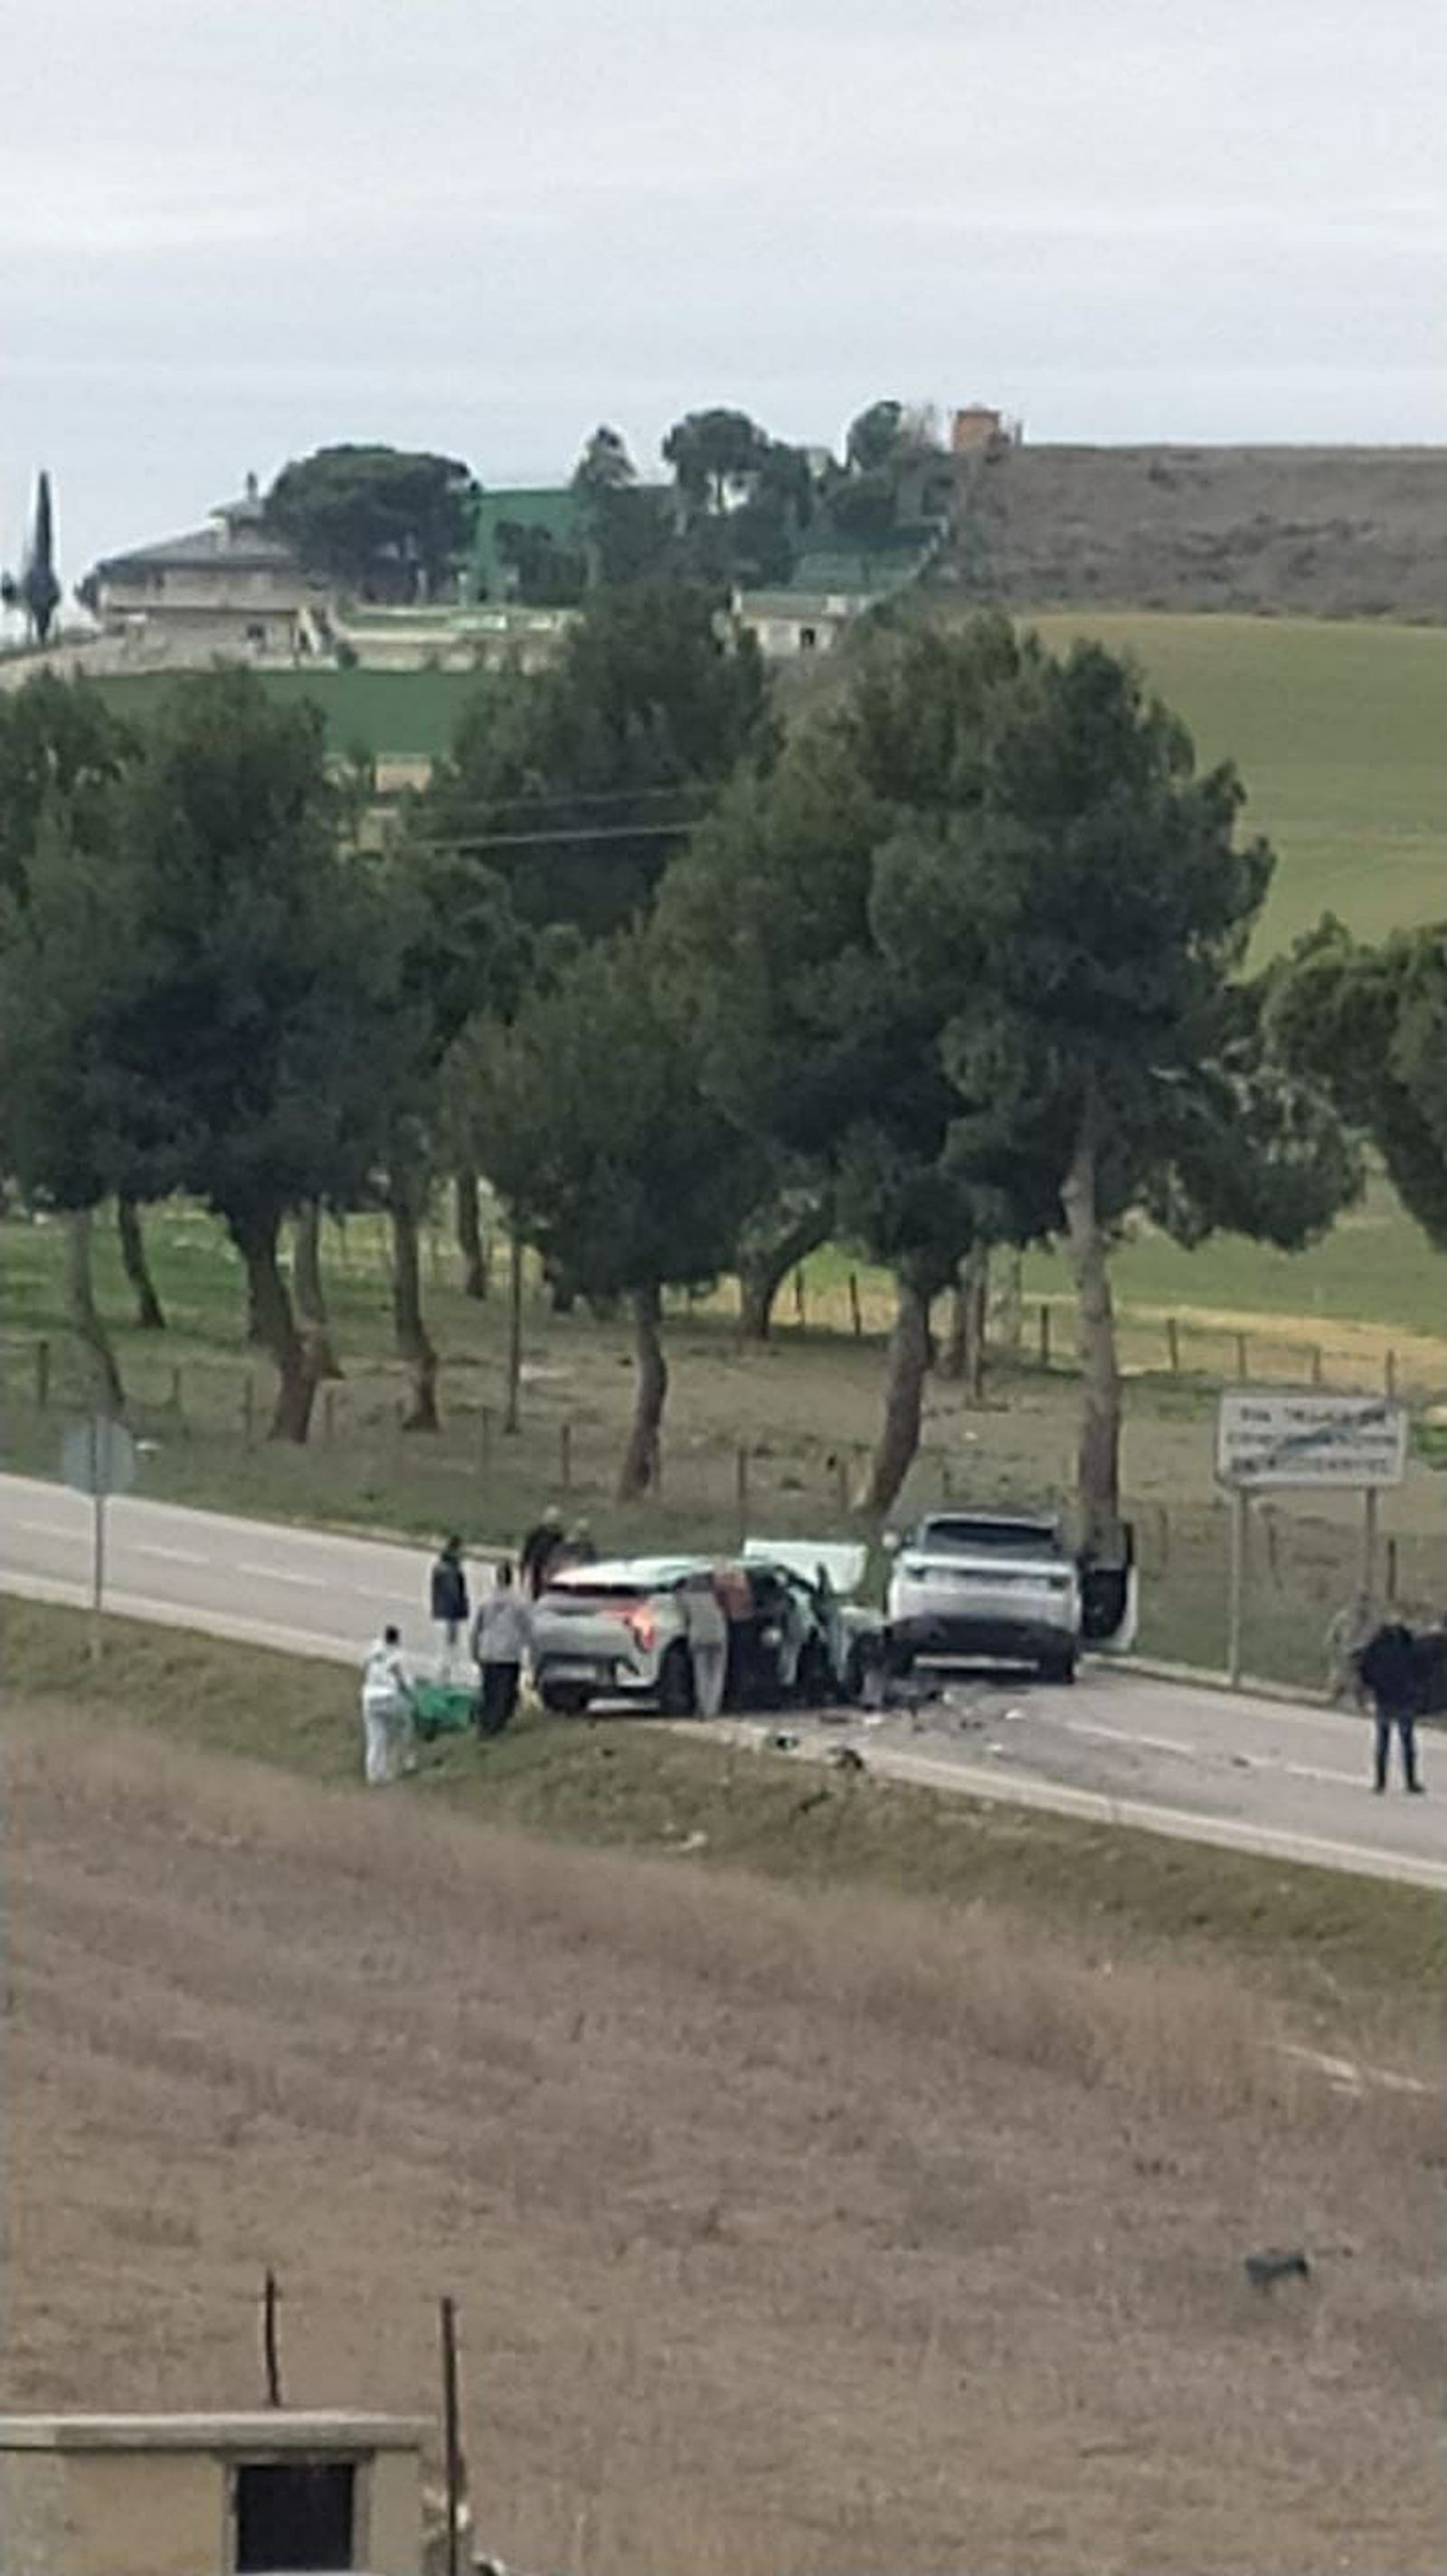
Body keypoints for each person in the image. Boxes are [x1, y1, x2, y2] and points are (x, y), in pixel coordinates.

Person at [1357, 1615, 1424, 1795]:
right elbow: (1420, 1669)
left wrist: (1370, 1685)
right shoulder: (1409, 1645)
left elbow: (1364, 1666)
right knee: (1407, 1740)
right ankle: (1410, 1781)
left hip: (1384, 1697)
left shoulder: (1378, 1645)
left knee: (1383, 1741)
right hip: (1404, 1698)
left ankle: (1380, 1782)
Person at [470, 1560, 532, 1736]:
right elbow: (527, 1628)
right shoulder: (519, 1602)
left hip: (488, 1651)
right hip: (508, 1654)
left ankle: (485, 1725)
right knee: (504, 1692)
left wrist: (474, 1650)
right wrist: (528, 1650)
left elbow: (477, 1628)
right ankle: (497, 1725)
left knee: (489, 1691)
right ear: (511, 1578)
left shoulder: (486, 1601)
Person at [360, 1625, 416, 1785]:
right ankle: (404, 1763)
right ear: (398, 1639)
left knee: (375, 1737)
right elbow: (407, 1682)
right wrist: (412, 1695)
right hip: (389, 1697)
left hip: (370, 1697)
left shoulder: (374, 1650)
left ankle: (373, 1774)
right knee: (403, 1727)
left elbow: (363, 1664)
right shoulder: (399, 1656)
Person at [681, 1572, 729, 1718]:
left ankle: (702, 1706)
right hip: (718, 1634)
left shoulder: (686, 1597)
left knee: (701, 1673)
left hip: (698, 1635)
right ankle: (712, 1707)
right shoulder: (716, 1595)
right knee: (717, 1674)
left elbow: (685, 1617)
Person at [429, 1536, 470, 1679]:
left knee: (443, 1652)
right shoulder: (452, 1570)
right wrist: (458, 1614)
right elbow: (453, 1595)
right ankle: (446, 1680)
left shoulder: (440, 1567)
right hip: (448, 1616)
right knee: (448, 1653)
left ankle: (442, 1678)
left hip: (440, 1613)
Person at [1324, 1592, 1372, 1709]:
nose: (1361, 1605)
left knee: (1359, 1679)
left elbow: (1370, 1637)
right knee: (1339, 1676)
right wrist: (1332, 1643)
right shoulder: (1344, 1616)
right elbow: (1333, 1632)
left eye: (1364, 1602)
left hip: (1359, 1654)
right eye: (1359, 1601)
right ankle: (1334, 1697)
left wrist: (1361, 1648)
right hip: (1344, 1652)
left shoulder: (1369, 1620)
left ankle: (1361, 1702)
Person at [519, 1504, 565, 1600]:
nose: (552, 1522)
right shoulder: (536, 1533)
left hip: (550, 1571)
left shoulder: (558, 1537)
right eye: (550, 1518)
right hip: (537, 1569)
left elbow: (561, 1553)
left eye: (555, 1519)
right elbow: (526, 1552)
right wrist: (523, 1570)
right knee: (535, 1594)